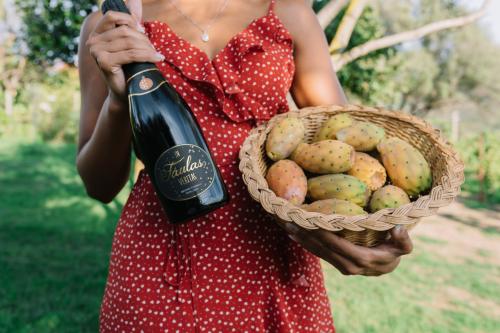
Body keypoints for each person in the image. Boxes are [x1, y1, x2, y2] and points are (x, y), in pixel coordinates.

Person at [77, 0, 413, 331]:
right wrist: (119, 102)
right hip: (160, 269)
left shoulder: (289, 13)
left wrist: (374, 236)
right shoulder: (113, 25)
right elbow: (99, 186)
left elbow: (349, 157)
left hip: (276, 267)